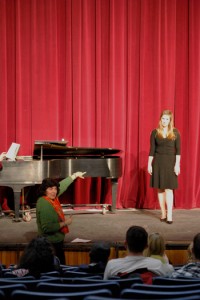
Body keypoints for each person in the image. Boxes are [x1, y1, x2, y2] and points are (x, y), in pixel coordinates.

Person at [36, 171, 86, 264]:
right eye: (50, 189)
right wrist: (65, 223)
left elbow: (61, 185)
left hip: (55, 241)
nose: (54, 191)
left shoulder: (51, 198)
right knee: (57, 269)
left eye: (55, 189)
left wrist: (74, 175)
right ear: (44, 190)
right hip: (50, 244)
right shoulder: (45, 204)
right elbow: (48, 228)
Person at [103, 225, 174, 280]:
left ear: (125, 244)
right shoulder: (160, 266)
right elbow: (170, 272)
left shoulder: (112, 265)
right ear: (146, 246)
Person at [148, 109, 181, 224]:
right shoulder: (155, 132)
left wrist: (177, 165)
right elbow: (152, 150)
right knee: (160, 188)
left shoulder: (175, 133)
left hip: (170, 162)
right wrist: (149, 164)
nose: (164, 121)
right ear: (160, 119)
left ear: (170, 120)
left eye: (167, 119)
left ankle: (170, 215)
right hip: (158, 161)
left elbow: (178, 151)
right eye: (163, 119)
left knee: (169, 189)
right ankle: (163, 213)